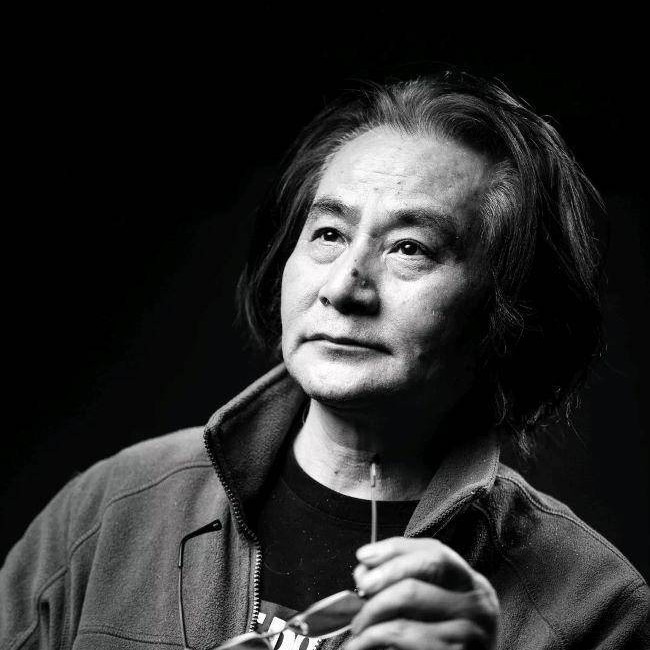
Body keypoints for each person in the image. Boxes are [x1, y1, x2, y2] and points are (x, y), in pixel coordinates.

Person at [1, 72, 648, 649]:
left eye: (410, 248)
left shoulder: (598, 607)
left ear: (509, 307)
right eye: (329, 234)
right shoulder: (108, 511)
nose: (343, 287)